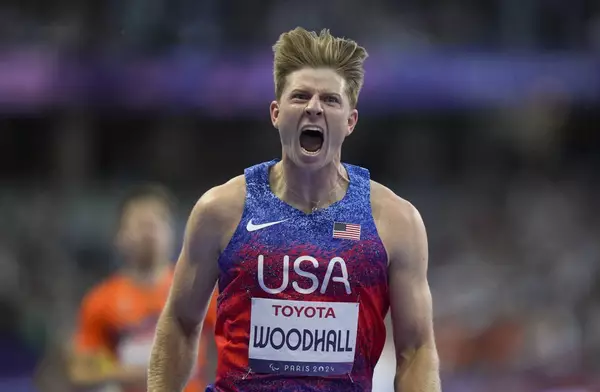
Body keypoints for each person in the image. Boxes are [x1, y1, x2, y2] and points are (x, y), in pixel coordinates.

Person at [148, 27, 440, 392]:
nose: (314, 107)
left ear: (350, 121)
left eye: (331, 100)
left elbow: (416, 349)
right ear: (276, 112)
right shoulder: (221, 210)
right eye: (300, 96)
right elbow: (179, 321)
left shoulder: (395, 221)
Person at [68, 185, 217, 392]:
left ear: (173, 231)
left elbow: (237, 348)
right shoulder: (101, 300)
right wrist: (137, 371)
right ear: (119, 236)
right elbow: (80, 371)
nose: (150, 231)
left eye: (157, 222)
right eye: (140, 224)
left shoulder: (199, 287)